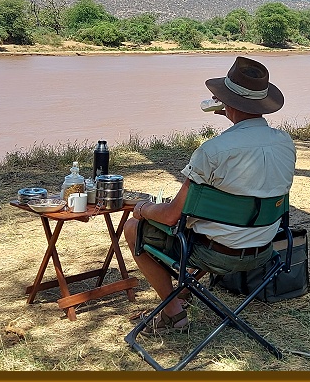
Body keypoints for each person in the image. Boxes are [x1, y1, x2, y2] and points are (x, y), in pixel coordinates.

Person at [123, 56, 297, 335]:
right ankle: (181, 293)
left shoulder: (213, 151)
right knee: (211, 226)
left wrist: (143, 208)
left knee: (133, 229)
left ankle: (173, 314)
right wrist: (233, 112)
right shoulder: (284, 143)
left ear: (226, 102)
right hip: (265, 249)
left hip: (217, 255)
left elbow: (170, 216)